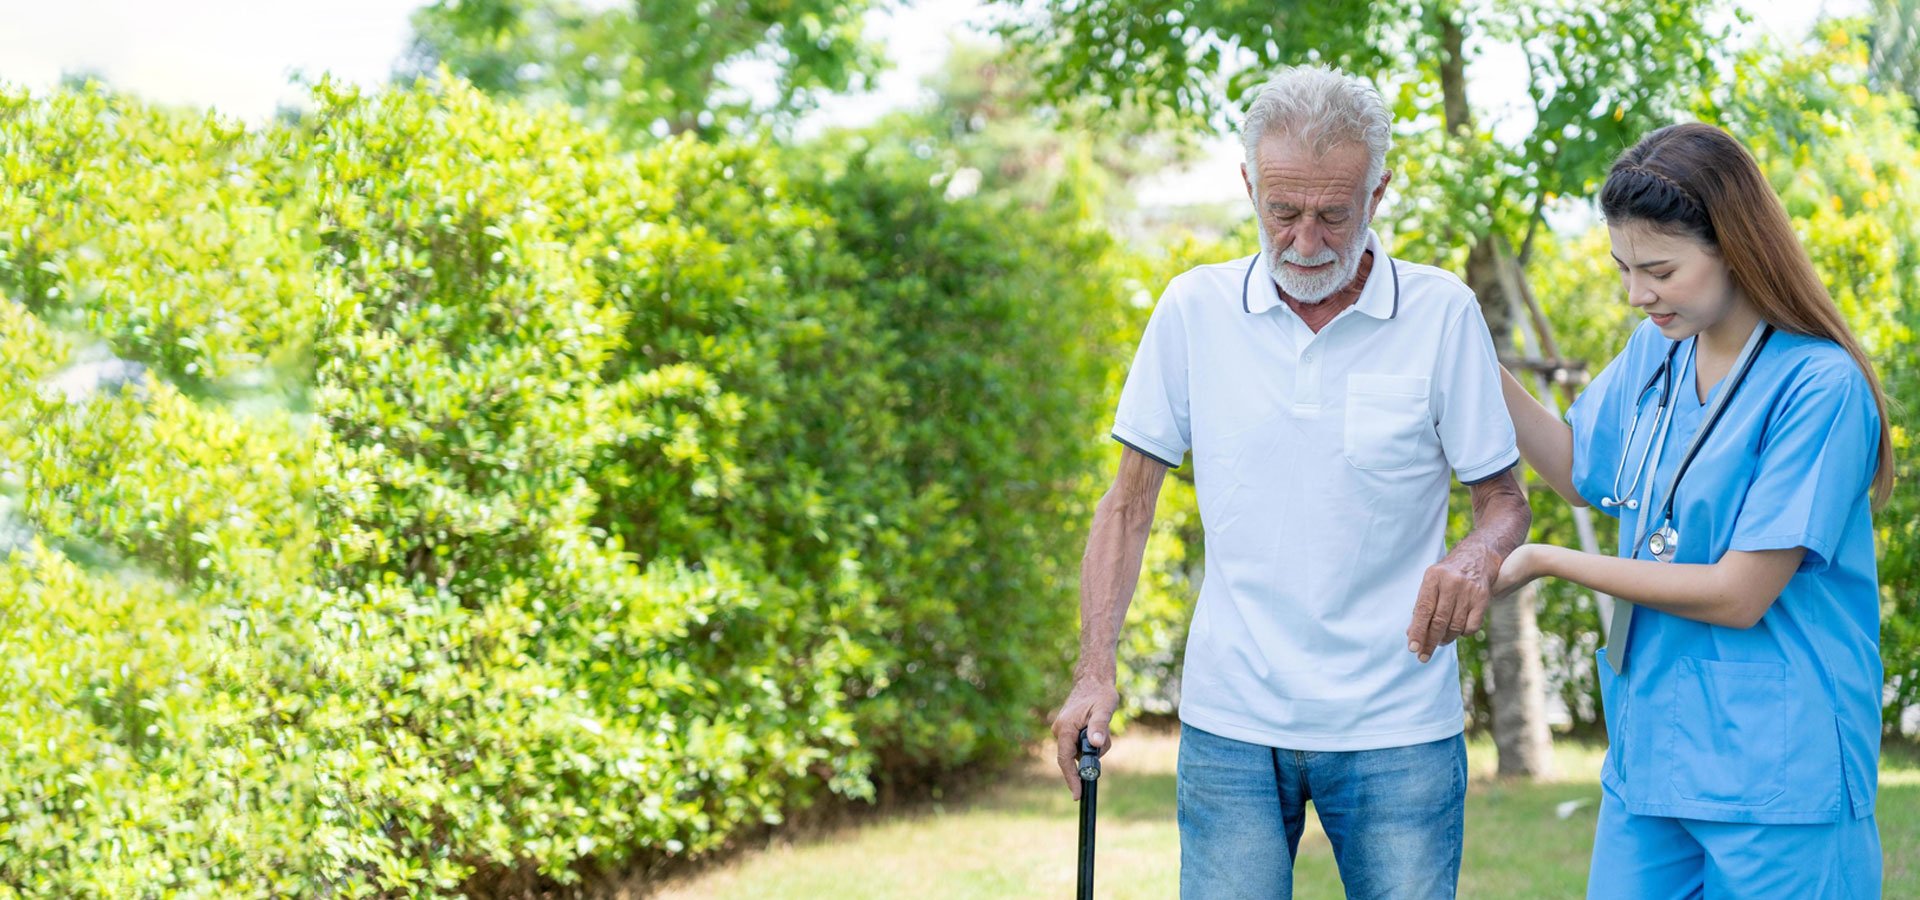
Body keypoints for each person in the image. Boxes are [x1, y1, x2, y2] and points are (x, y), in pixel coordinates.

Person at [1049, 65, 1531, 899]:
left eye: (1333, 215)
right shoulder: (1193, 311)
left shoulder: (1443, 313)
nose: (1306, 243)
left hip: (1398, 726)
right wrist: (1096, 668)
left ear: (1378, 193)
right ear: (1248, 185)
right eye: (1283, 212)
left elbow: (1504, 500)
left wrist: (1476, 557)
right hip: (1231, 723)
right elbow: (1127, 506)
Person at [1492, 122, 1893, 898]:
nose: (1638, 294)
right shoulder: (1656, 351)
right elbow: (1580, 470)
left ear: (1735, 247)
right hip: (1652, 755)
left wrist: (1546, 560)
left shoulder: (1820, 387)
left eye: (1660, 270)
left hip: (1779, 771)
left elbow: (1740, 594)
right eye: (1623, 268)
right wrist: (1476, 363)